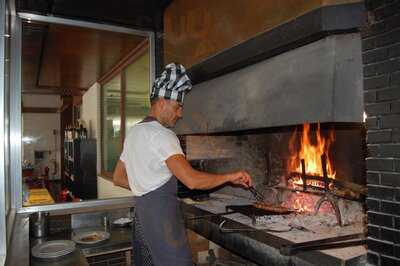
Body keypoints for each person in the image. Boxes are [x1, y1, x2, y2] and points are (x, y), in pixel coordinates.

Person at [113, 63, 253, 266]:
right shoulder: (163, 135)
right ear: (162, 102)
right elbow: (192, 180)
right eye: (178, 107)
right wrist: (230, 176)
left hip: (143, 220)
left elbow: (118, 177)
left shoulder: (134, 132)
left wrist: (144, 186)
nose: (180, 113)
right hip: (163, 222)